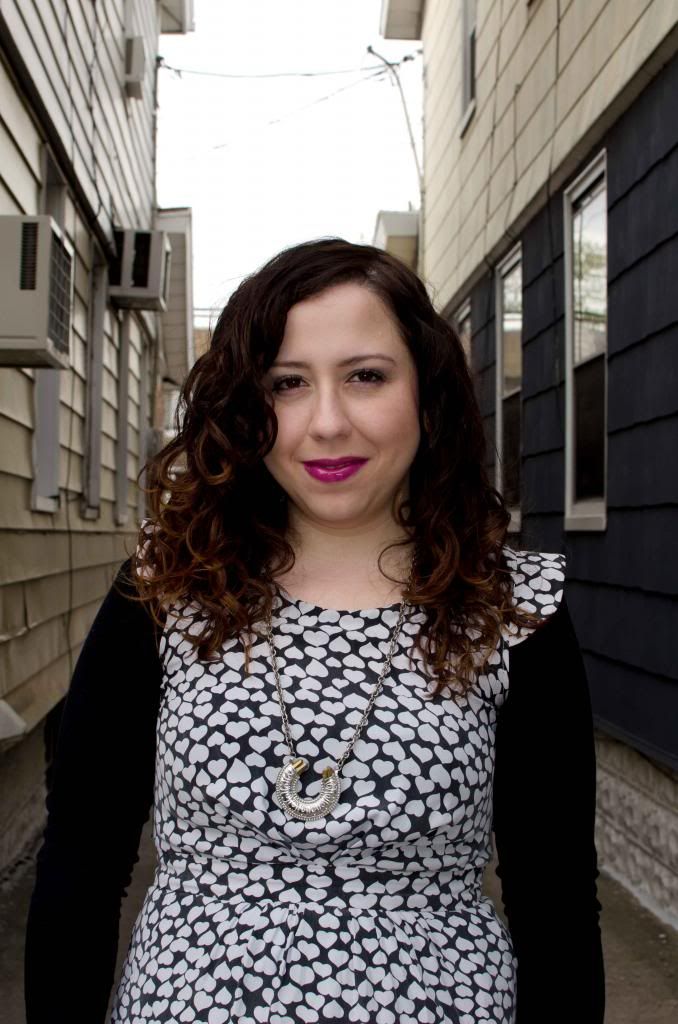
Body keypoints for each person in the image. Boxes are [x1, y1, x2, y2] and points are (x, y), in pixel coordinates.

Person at [24, 238, 605, 1023]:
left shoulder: (513, 610)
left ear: (427, 393)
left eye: (366, 376)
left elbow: (556, 900)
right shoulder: (163, 594)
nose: (327, 423)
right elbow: (81, 868)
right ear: (246, 408)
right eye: (287, 383)